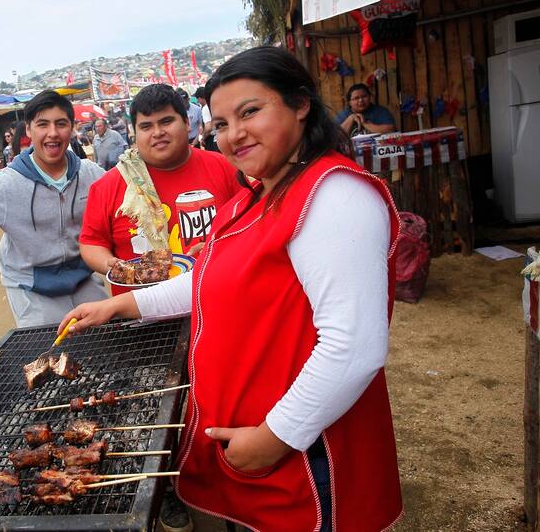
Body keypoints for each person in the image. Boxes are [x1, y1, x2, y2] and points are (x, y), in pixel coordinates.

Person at [60, 46, 403, 531]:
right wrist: (125, 304)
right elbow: (208, 281)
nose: (234, 134)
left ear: (300, 104)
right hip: (259, 440)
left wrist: (277, 436)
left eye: (250, 112)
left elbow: (355, 348)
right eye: (220, 124)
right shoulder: (258, 194)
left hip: (308, 453)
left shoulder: (334, 197)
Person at [0, 90, 107, 327]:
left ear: (71, 128)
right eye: (42, 124)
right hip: (32, 287)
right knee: (49, 354)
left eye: (61, 124)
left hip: (83, 277)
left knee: (107, 338)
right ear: (28, 130)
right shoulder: (6, 184)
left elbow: (121, 206)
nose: (52, 133)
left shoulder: (90, 173)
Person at [79, 83, 242, 296]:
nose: (157, 133)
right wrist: (111, 264)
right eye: (146, 126)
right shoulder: (107, 186)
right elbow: (91, 243)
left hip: (219, 294)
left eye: (166, 121)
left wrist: (225, 246)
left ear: (186, 122)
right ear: (134, 132)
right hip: (142, 311)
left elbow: (255, 225)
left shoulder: (226, 168)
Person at [195, 87, 218, 152]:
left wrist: (203, 138)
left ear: (199, 98)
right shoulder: (214, 103)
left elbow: (208, 128)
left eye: (198, 100)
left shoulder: (205, 108)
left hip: (212, 139)